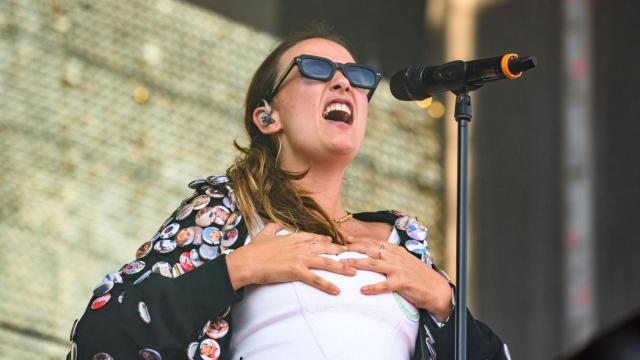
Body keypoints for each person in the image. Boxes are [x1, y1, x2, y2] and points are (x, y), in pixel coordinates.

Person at [69, 28, 510, 360]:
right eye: (316, 69)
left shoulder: (402, 241)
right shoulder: (231, 211)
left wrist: (444, 301)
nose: (343, 84)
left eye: (356, 76)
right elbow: (103, 335)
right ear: (267, 117)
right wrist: (238, 269)